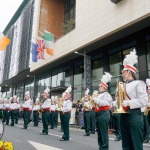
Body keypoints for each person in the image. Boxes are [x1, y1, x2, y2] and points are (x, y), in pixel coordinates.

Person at [119, 50, 148, 150]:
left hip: (134, 116)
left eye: (123, 72)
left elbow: (144, 100)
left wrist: (128, 102)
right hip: (124, 116)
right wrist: (115, 103)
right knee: (126, 146)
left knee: (136, 146)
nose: (122, 74)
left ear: (129, 72)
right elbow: (120, 101)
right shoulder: (123, 85)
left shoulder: (139, 83)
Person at [93, 72, 113, 150]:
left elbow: (106, 103)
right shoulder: (99, 95)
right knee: (99, 131)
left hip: (104, 114)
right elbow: (95, 104)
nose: (99, 87)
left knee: (103, 132)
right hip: (98, 114)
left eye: (100, 86)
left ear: (104, 87)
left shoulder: (107, 95)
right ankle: (101, 145)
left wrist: (95, 99)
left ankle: (104, 147)